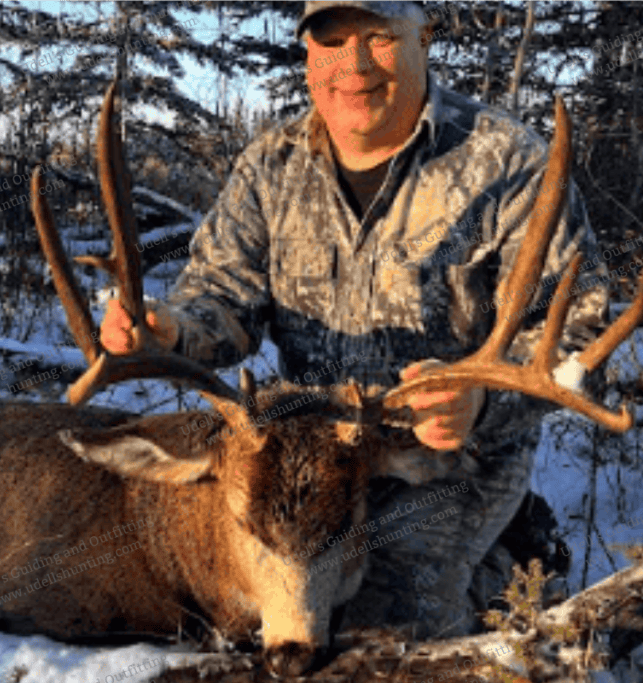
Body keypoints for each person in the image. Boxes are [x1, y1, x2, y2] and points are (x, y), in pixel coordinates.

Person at [100, 0, 607, 640]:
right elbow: (224, 298)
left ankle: (504, 560)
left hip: (442, 459)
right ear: (309, 55)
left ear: (424, 36)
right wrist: (169, 330)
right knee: (208, 594)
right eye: (333, 41)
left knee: (377, 629)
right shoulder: (270, 165)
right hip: (302, 461)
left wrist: (478, 399)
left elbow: (580, 341)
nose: (355, 64)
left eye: (378, 36)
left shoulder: (509, 164)